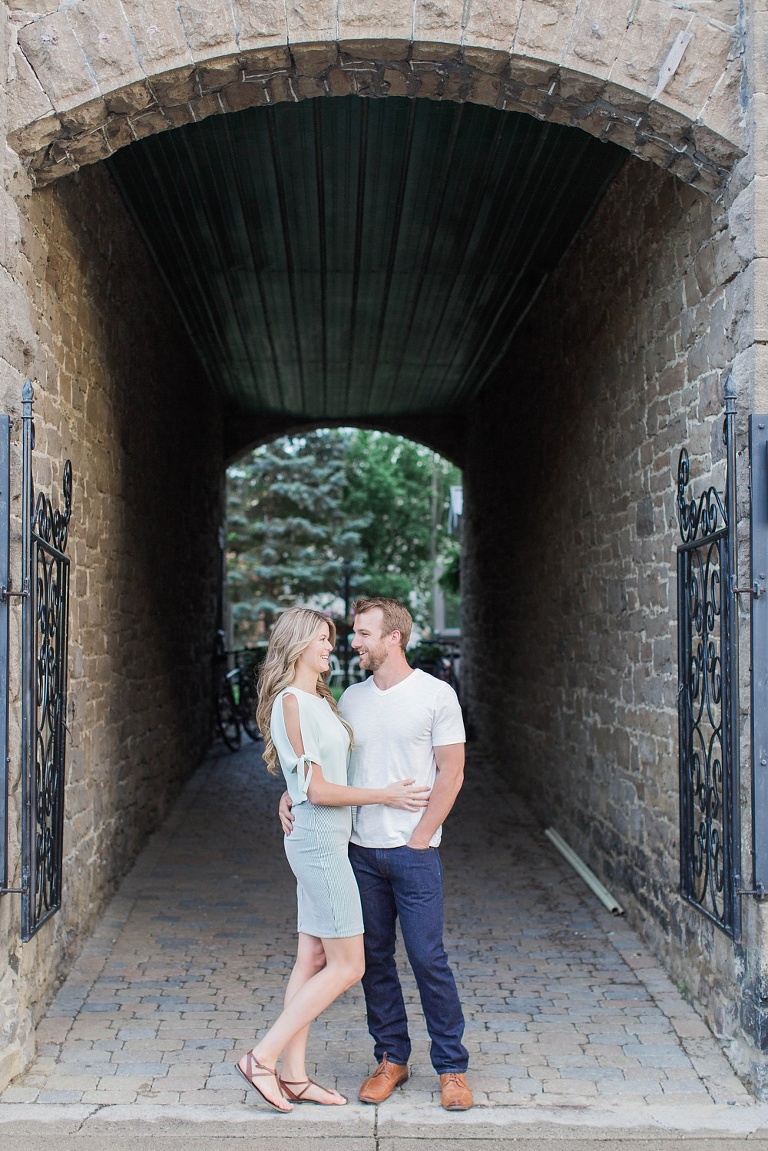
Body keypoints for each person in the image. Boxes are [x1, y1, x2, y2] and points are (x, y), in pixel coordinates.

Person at [235, 606, 430, 1113]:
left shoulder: (321, 699)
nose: (331, 647)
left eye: (333, 639)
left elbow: (308, 781)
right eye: (323, 639)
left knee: (313, 958)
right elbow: (318, 789)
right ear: (299, 644)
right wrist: (382, 796)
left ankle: (295, 1076)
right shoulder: (291, 703)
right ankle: (262, 1057)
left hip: (325, 839)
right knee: (350, 964)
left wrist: (291, 793)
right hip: (320, 845)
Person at [280, 597, 472, 1112]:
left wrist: (421, 835)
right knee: (374, 961)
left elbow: (451, 773)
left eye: (363, 633)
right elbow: (321, 764)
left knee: (429, 958)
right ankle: (391, 1058)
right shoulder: (351, 699)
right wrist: (290, 792)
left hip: (414, 852)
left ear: (394, 637)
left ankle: (452, 1068)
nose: (354, 642)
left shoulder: (436, 695)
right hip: (359, 852)